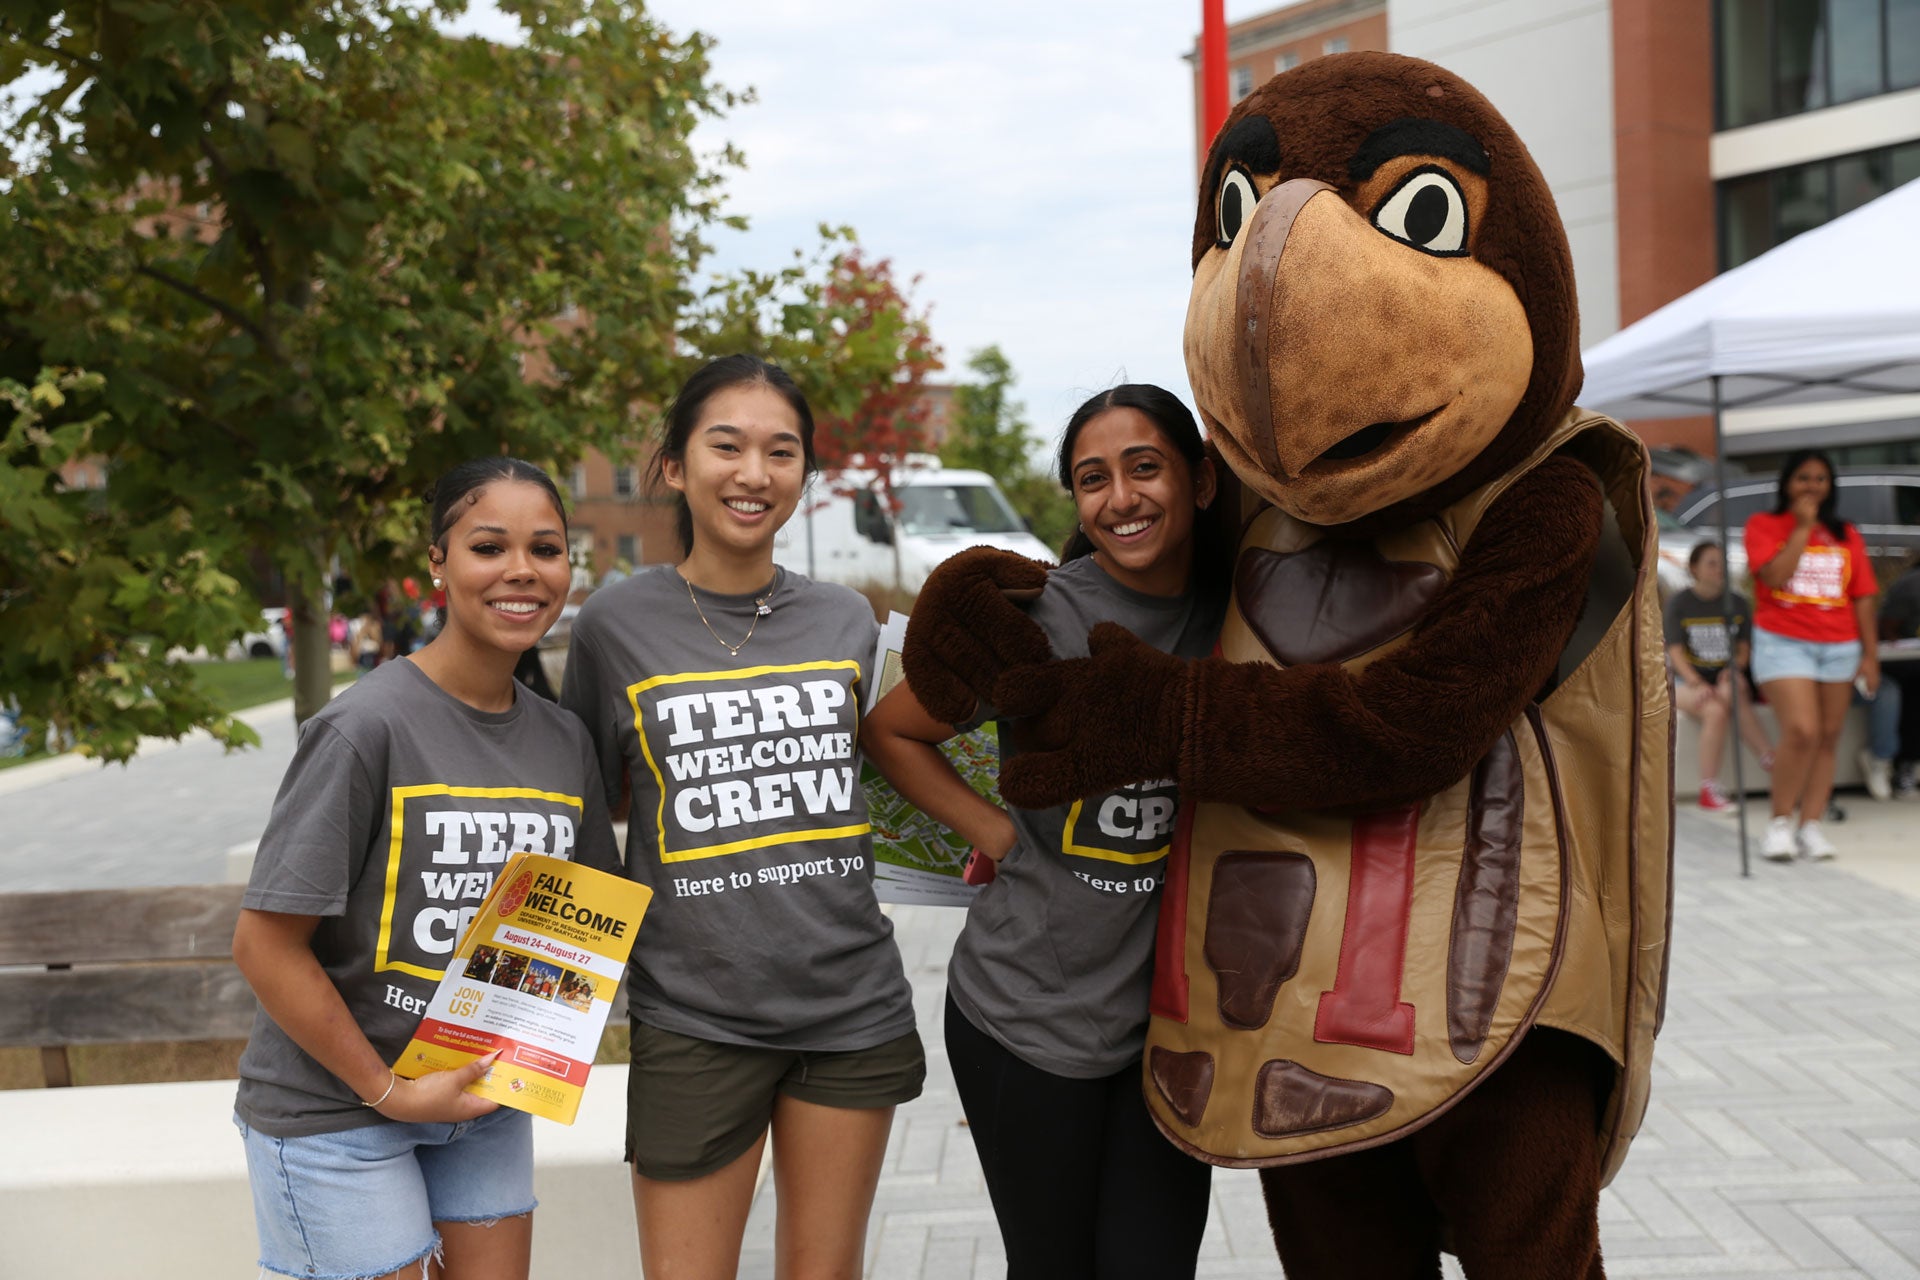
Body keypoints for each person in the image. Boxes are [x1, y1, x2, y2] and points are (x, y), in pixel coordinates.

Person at [559, 354, 923, 1280]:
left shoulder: (847, 619)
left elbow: (893, 767)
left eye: (781, 451)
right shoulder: (613, 626)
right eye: (727, 446)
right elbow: (580, 817)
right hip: (695, 1016)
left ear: (805, 473)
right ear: (676, 466)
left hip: (849, 1006)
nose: (754, 473)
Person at [863, 385, 1225, 1280]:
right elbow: (892, 730)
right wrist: (1003, 834)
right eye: (1091, 479)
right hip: (1023, 1017)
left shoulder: (1241, 614)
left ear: (1201, 481)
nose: (1120, 498)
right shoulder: (1043, 619)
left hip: (1169, 1032)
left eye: (1145, 467)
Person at [230, 457, 621, 1280]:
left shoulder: (563, 740)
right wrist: (391, 1092)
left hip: (482, 1098)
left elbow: (573, 926)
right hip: (338, 1106)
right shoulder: (362, 728)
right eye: (489, 546)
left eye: (547, 549)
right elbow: (264, 946)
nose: (522, 570)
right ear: (437, 563)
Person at [1744, 449, 1880, 861]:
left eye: (1820, 479)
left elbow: (1863, 597)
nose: (1812, 486)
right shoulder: (1764, 525)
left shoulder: (1846, 534)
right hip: (1783, 641)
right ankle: (1780, 823)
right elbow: (1773, 576)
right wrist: (1802, 529)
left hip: (1839, 644)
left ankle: (1812, 825)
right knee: (1801, 731)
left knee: (1827, 737)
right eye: (1803, 477)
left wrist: (1870, 656)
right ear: (1787, 483)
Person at [1664, 539, 1774, 810]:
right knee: (1714, 709)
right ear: (1694, 569)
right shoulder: (1679, 604)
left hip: (1726, 679)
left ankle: (1768, 762)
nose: (1719, 569)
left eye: (1722, 563)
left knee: (1728, 692)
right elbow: (1675, 653)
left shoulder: (1736, 603)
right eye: (1711, 563)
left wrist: (1733, 668)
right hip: (1685, 681)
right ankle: (1715, 785)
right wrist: (1696, 682)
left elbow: (1744, 649)